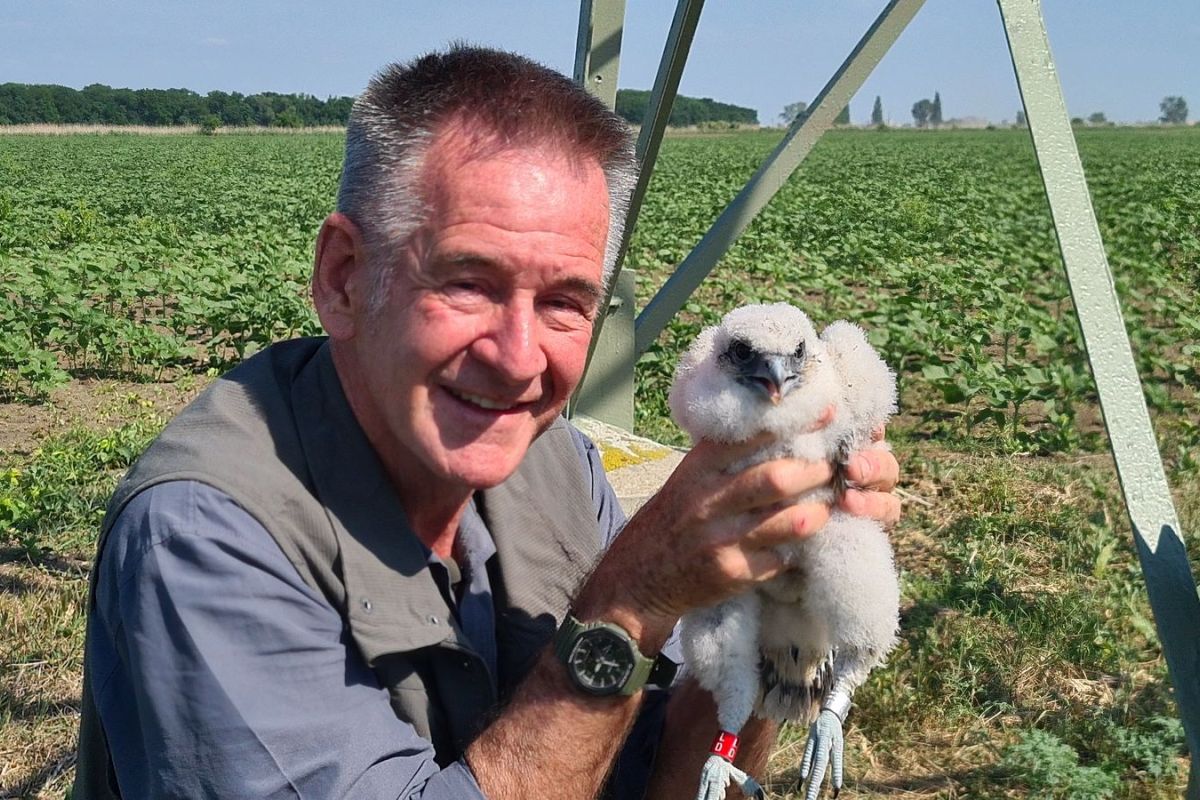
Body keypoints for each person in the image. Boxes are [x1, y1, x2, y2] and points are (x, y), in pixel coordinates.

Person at [74, 46, 901, 799]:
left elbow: (656, 778)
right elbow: (607, 665)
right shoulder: (206, 534)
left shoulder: (556, 465)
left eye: (564, 303)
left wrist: (775, 612)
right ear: (343, 278)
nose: (518, 358)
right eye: (468, 282)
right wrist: (631, 601)